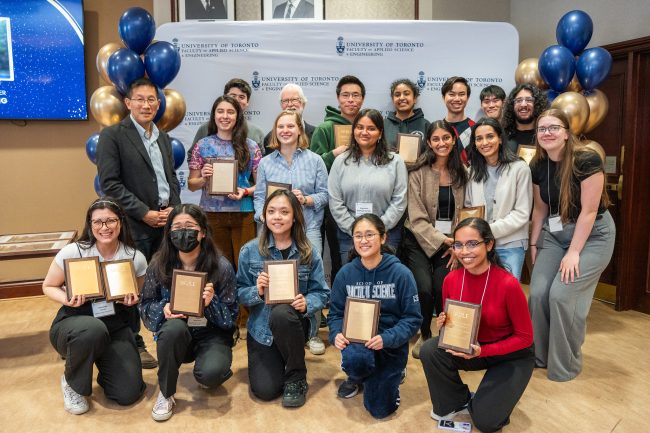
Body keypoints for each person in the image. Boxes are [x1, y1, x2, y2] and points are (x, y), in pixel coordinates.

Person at [420, 218, 534, 433]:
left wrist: (484, 351)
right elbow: (454, 324)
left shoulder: (508, 284)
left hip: (511, 353)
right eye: (458, 244)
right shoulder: (451, 279)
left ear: (489, 244)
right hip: (472, 347)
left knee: (486, 422)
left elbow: (525, 338)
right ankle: (458, 399)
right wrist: (444, 323)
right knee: (430, 350)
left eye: (472, 243)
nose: (464, 251)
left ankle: (488, 401)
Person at [97, 77, 181, 368]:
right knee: (132, 284)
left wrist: (174, 209)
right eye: (140, 99)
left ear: (158, 104)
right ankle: (134, 341)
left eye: (151, 100)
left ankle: (167, 333)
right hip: (136, 224)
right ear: (128, 103)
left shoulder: (163, 136)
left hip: (165, 222)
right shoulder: (113, 136)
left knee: (166, 280)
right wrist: (144, 212)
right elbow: (111, 184)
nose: (146, 105)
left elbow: (171, 178)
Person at [528, 109, 615, 381]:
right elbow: (540, 210)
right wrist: (534, 243)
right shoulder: (538, 165)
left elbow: (589, 213)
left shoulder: (586, 160)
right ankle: (539, 356)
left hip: (593, 236)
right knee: (539, 293)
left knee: (562, 295)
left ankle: (565, 364)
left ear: (567, 133)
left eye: (554, 127)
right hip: (555, 233)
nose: (547, 133)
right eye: (542, 129)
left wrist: (574, 252)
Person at [43, 198, 146, 415]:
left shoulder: (135, 257)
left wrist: (134, 300)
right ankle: (72, 384)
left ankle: (103, 363)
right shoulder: (73, 252)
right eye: (97, 222)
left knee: (128, 394)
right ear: (90, 224)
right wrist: (66, 299)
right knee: (92, 329)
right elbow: (48, 286)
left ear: (121, 223)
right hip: (75, 324)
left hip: (115, 325)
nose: (104, 227)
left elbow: (139, 293)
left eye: (110, 221)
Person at [140, 204, 238, 421]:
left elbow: (231, 318)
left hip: (211, 332)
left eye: (190, 226)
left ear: (202, 232)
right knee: (172, 329)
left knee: (211, 374)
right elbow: (145, 306)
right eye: (177, 227)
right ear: (169, 233)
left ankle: (209, 367)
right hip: (177, 331)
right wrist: (163, 309)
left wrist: (212, 302)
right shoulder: (158, 265)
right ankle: (166, 393)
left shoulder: (221, 267)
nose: (183, 232)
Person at [237, 189, 329, 408]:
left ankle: (297, 375)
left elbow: (323, 293)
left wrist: (308, 303)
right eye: (271, 211)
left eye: (284, 212)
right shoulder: (249, 251)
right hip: (262, 331)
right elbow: (239, 292)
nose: (277, 217)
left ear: (295, 216)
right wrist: (257, 291)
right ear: (264, 215)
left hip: (295, 323)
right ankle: (285, 359)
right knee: (266, 391)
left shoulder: (309, 252)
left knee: (282, 312)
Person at [328, 214, 422, 419]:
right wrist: (335, 333)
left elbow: (413, 319)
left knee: (379, 410)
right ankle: (357, 375)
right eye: (358, 235)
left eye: (369, 234)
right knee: (356, 361)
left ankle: (391, 374)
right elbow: (335, 314)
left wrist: (387, 338)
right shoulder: (345, 274)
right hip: (358, 342)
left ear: (383, 238)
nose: (363, 240)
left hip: (389, 344)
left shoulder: (401, 273)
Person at [254, 110, 329, 355]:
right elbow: (259, 196)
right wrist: (263, 215)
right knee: (273, 279)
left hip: (308, 228)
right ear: (275, 131)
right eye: (281, 127)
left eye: (290, 126)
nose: (285, 131)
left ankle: (313, 333)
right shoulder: (266, 162)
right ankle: (273, 327)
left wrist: (305, 199)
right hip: (273, 230)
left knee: (312, 280)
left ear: (300, 130)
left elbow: (325, 195)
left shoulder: (315, 160)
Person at [402, 120, 467, 359]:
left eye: (446, 138)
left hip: (451, 244)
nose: (441, 143)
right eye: (436, 139)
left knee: (443, 287)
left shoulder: (464, 172)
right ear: (428, 143)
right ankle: (424, 333)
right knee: (424, 288)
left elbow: (468, 212)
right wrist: (443, 240)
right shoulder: (418, 173)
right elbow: (417, 217)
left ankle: (445, 334)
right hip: (419, 240)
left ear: (453, 139)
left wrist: (457, 245)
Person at [187, 94, 262, 268]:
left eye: (230, 112)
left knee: (246, 266)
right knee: (219, 266)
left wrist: (245, 191)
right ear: (214, 115)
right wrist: (204, 179)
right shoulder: (202, 145)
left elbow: (262, 185)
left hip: (243, 213)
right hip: (212, 215)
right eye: (220, 111)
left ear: (238, 116)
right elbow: (191, 185)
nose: (225, 116)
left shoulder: (251, 146)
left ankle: (244, 296)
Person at [328, 108, 407, 264]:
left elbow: (399, 200)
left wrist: (378, 229)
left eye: (371, 128)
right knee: (354, 284)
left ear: (380, 132)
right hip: (349, 236)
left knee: (384, 285)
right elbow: (335, 200)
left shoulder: (395, 161)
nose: (364, 132)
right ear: (354, 130)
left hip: (386, 235)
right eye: (360, 127)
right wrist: (356, 230)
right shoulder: (340, 161)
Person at [311, 75, 366, 282]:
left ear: (362, 99)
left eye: (356, 95)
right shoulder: (325, 129)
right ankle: (340, 308)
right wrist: (333, 154)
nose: (351, 100)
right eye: (346, 95)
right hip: (335, 205)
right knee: (339, 260)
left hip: (365, 201)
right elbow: (314, 167)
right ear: (338, 98)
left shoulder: (367, 125)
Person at [465, 117, 532, 281]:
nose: (484, 142)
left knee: (506, 295)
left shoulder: (519, 168)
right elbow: (469, 207)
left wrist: (487, 232)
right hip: (481, 246)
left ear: (500, 138)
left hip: (510, 244)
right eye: (479, 138)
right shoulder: (473, 171)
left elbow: (522, 213)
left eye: (490, 136)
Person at [188, 78, 265, 159]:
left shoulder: (256, 132)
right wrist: (202, 170)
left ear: (247, 102)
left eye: (241, 97)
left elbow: (261, 164)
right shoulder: (205, 128)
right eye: (233, 96)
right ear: (225, 98)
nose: (236, 100)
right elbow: (193, 157)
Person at [262, 83, 316, 154]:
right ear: (281, 106)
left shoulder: (316, 133)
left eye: (294, 100)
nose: (290, 104)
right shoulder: (270, 138)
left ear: (303, 103)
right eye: (285, 101)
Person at [383, 78, 430, 153]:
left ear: (415, 98)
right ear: (393, 99)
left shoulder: (425, 125)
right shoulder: (383, 125)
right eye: (397, 95)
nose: (401, 98)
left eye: (406, 94)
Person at [502, 83, 548, 154]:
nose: (523, 104)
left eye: (529, 100)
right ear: (512, 106)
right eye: (519, 100)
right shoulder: (502, 135)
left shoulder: (546, 135)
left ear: (537, 104)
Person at [441, 76, 474, 163]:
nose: (457, 99)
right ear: (443, 97)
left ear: (468, 98)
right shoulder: (438, 129)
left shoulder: (475, 128)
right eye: (452, 94)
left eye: (462, 94)